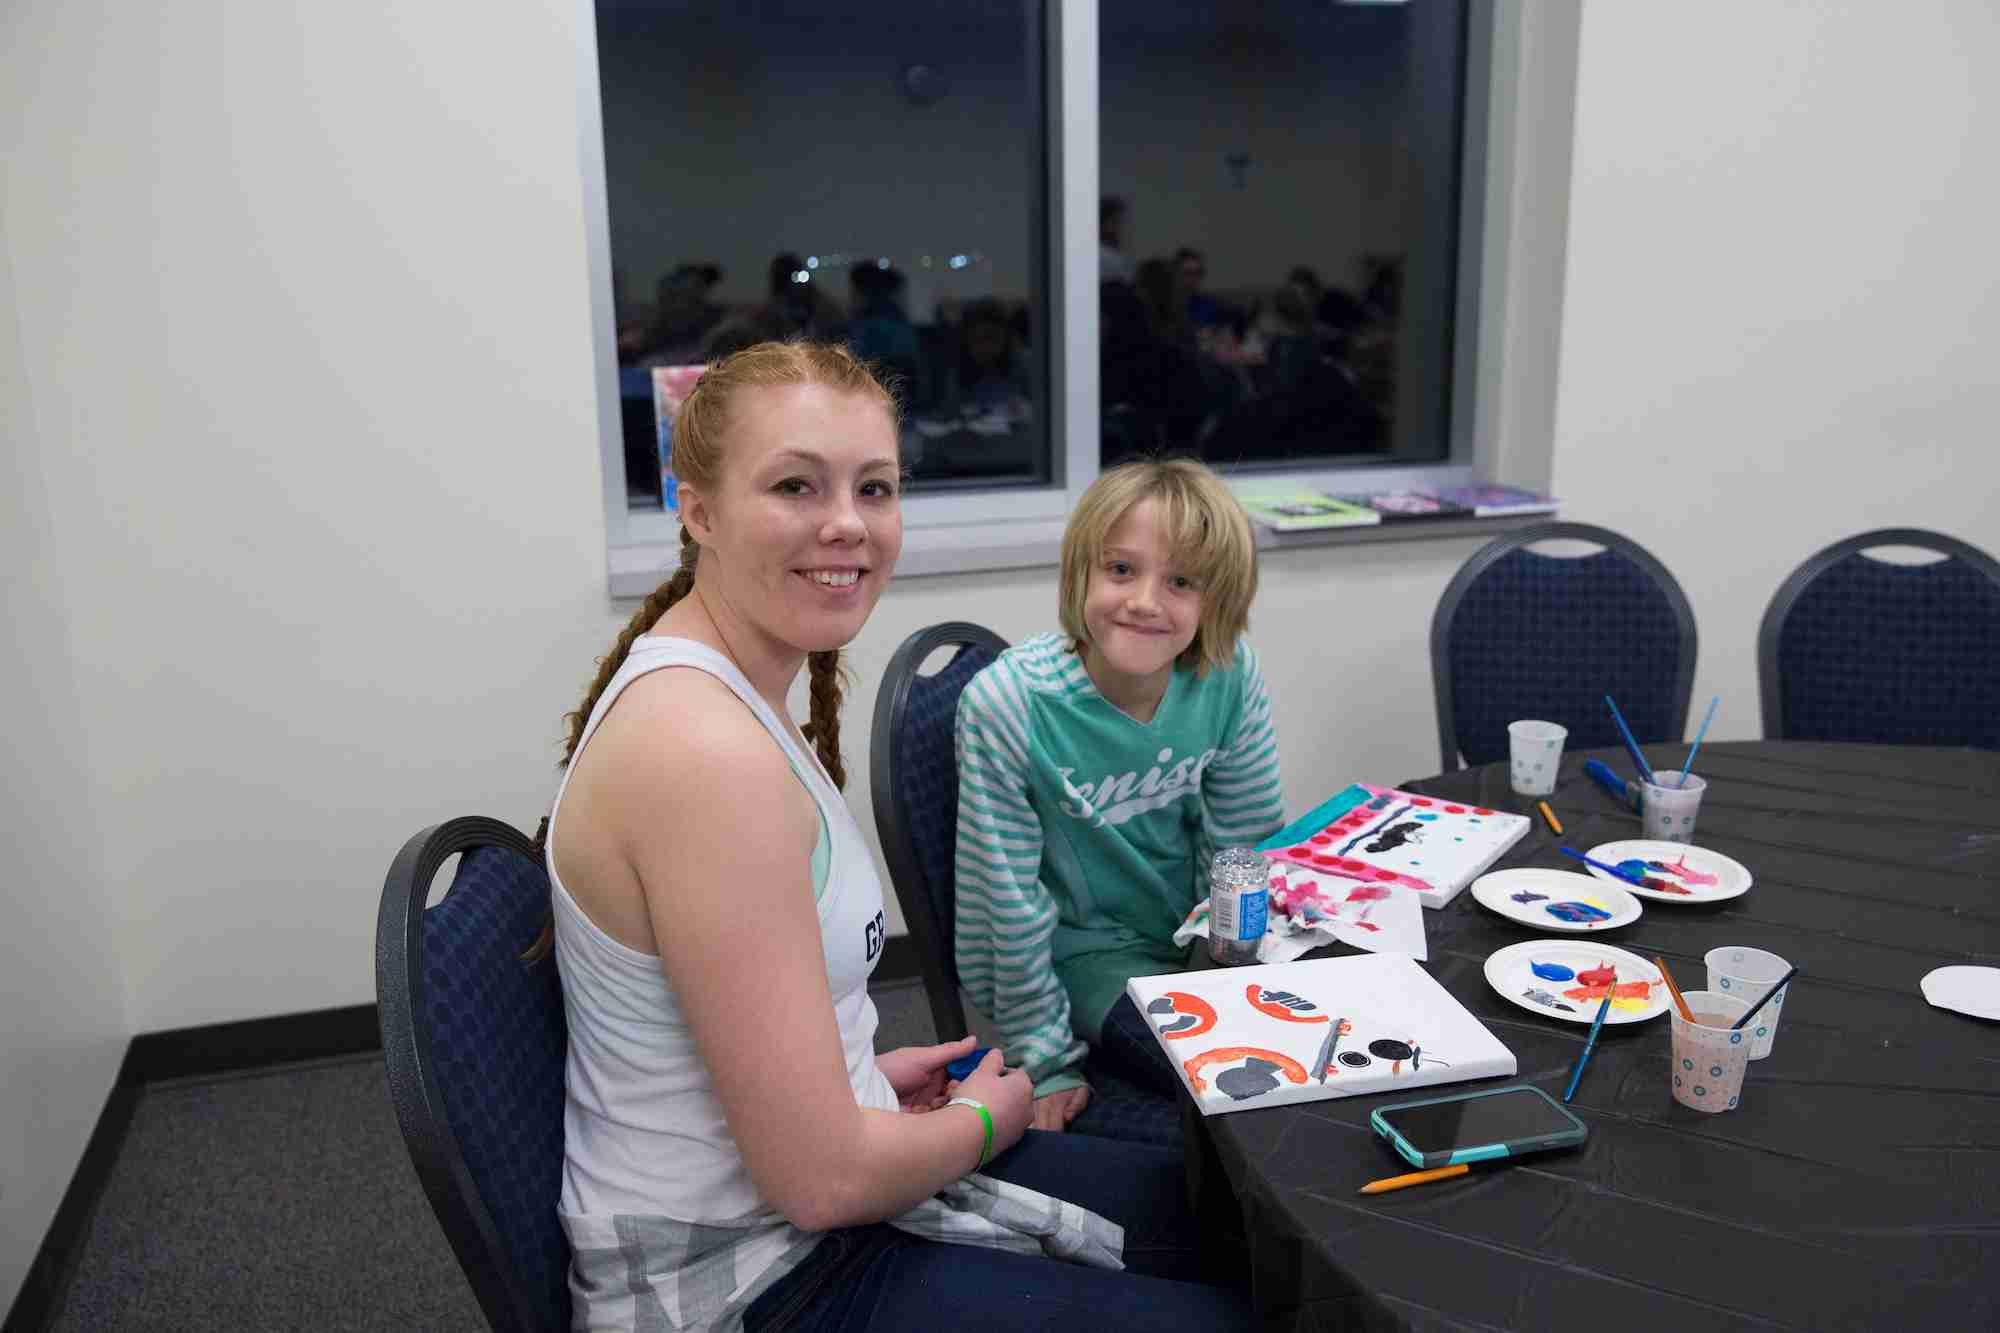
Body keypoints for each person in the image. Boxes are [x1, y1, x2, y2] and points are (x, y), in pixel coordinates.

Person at [537, 341, 1251, 1331]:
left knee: (1250, 1227)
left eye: (873, 488)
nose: (846, 524)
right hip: (748, 1278)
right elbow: (823, 1180)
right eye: (795, 484)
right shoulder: (701, 753)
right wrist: (984, 1118)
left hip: (804, 1200)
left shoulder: (741, 696)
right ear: (696, 509)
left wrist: (861, 1078)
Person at [954, 459, 1286, 1131]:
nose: (1144, 601)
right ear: (1081, 574)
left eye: (1181, 581)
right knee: (1242, 1082)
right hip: (1088, 960)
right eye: (1121, 570)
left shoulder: (1228, 674)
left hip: (1191, 943)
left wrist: (1231, 970)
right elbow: (1006, 906)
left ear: (1215, 600)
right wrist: (1043, 1058)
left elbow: (1246, 842)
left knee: (1311, 1055)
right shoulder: (1009, 703)